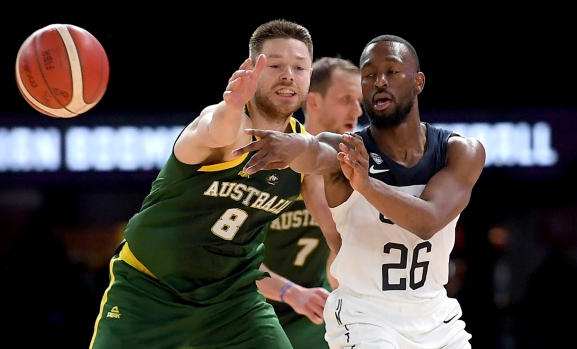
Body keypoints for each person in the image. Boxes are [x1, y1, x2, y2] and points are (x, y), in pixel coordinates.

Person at [233, 34, 486, 348]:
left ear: (418, 81)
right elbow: (312, 149)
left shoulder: (457, 151)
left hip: (432, 315)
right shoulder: (337, 154)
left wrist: (365, 185)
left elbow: (426, 222)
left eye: (391, 71)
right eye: (368, 76)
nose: (379, 82)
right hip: (349, 314)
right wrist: (277, 135)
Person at [89, 19, 320, 349]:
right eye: (277, 65)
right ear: (252, 70)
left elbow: (335, 225)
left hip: (231, 302)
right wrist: (232, 104)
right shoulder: (225, 123)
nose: (288, 75)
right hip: (150, 292)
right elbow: (218, 130)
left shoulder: (302, 151)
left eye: (299, 67)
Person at [257, 56, 363, 349]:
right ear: (313, 102)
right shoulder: (272, 164)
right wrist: (290, 291)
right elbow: (229, 258)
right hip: (251, 301)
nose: (357, 110)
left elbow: (340, 252)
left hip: (311, 309)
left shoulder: (352, 171)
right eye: (346, 99)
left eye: (359, 101)